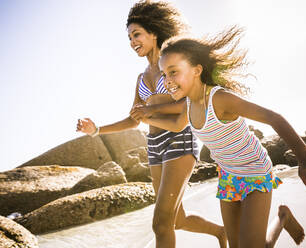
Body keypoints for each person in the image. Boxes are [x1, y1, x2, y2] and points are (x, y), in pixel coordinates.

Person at [130, 26, 306, 247]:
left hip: (255, 172)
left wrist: (304, 155)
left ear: (196, 70)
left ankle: (282, 218)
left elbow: (274, 118)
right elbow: (176, 125)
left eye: (174, 71)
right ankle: (283, 218)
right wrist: (148, 119)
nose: (167, 80)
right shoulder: (188, 103)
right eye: (165, 74)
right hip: (229, 177)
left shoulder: (219, 99)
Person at [76, 1, 226, 248]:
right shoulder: (140, 79)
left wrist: (150, 110)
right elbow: (134, 119)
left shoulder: (174, 66)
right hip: (154, 145)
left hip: (180, 139)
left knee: (160, 224)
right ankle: (220, 232)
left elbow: (188, 102)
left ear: (154, 33)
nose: (133, 42)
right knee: (177, 220)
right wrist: (97, 130)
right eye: (129, 38)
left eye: (137, 34)